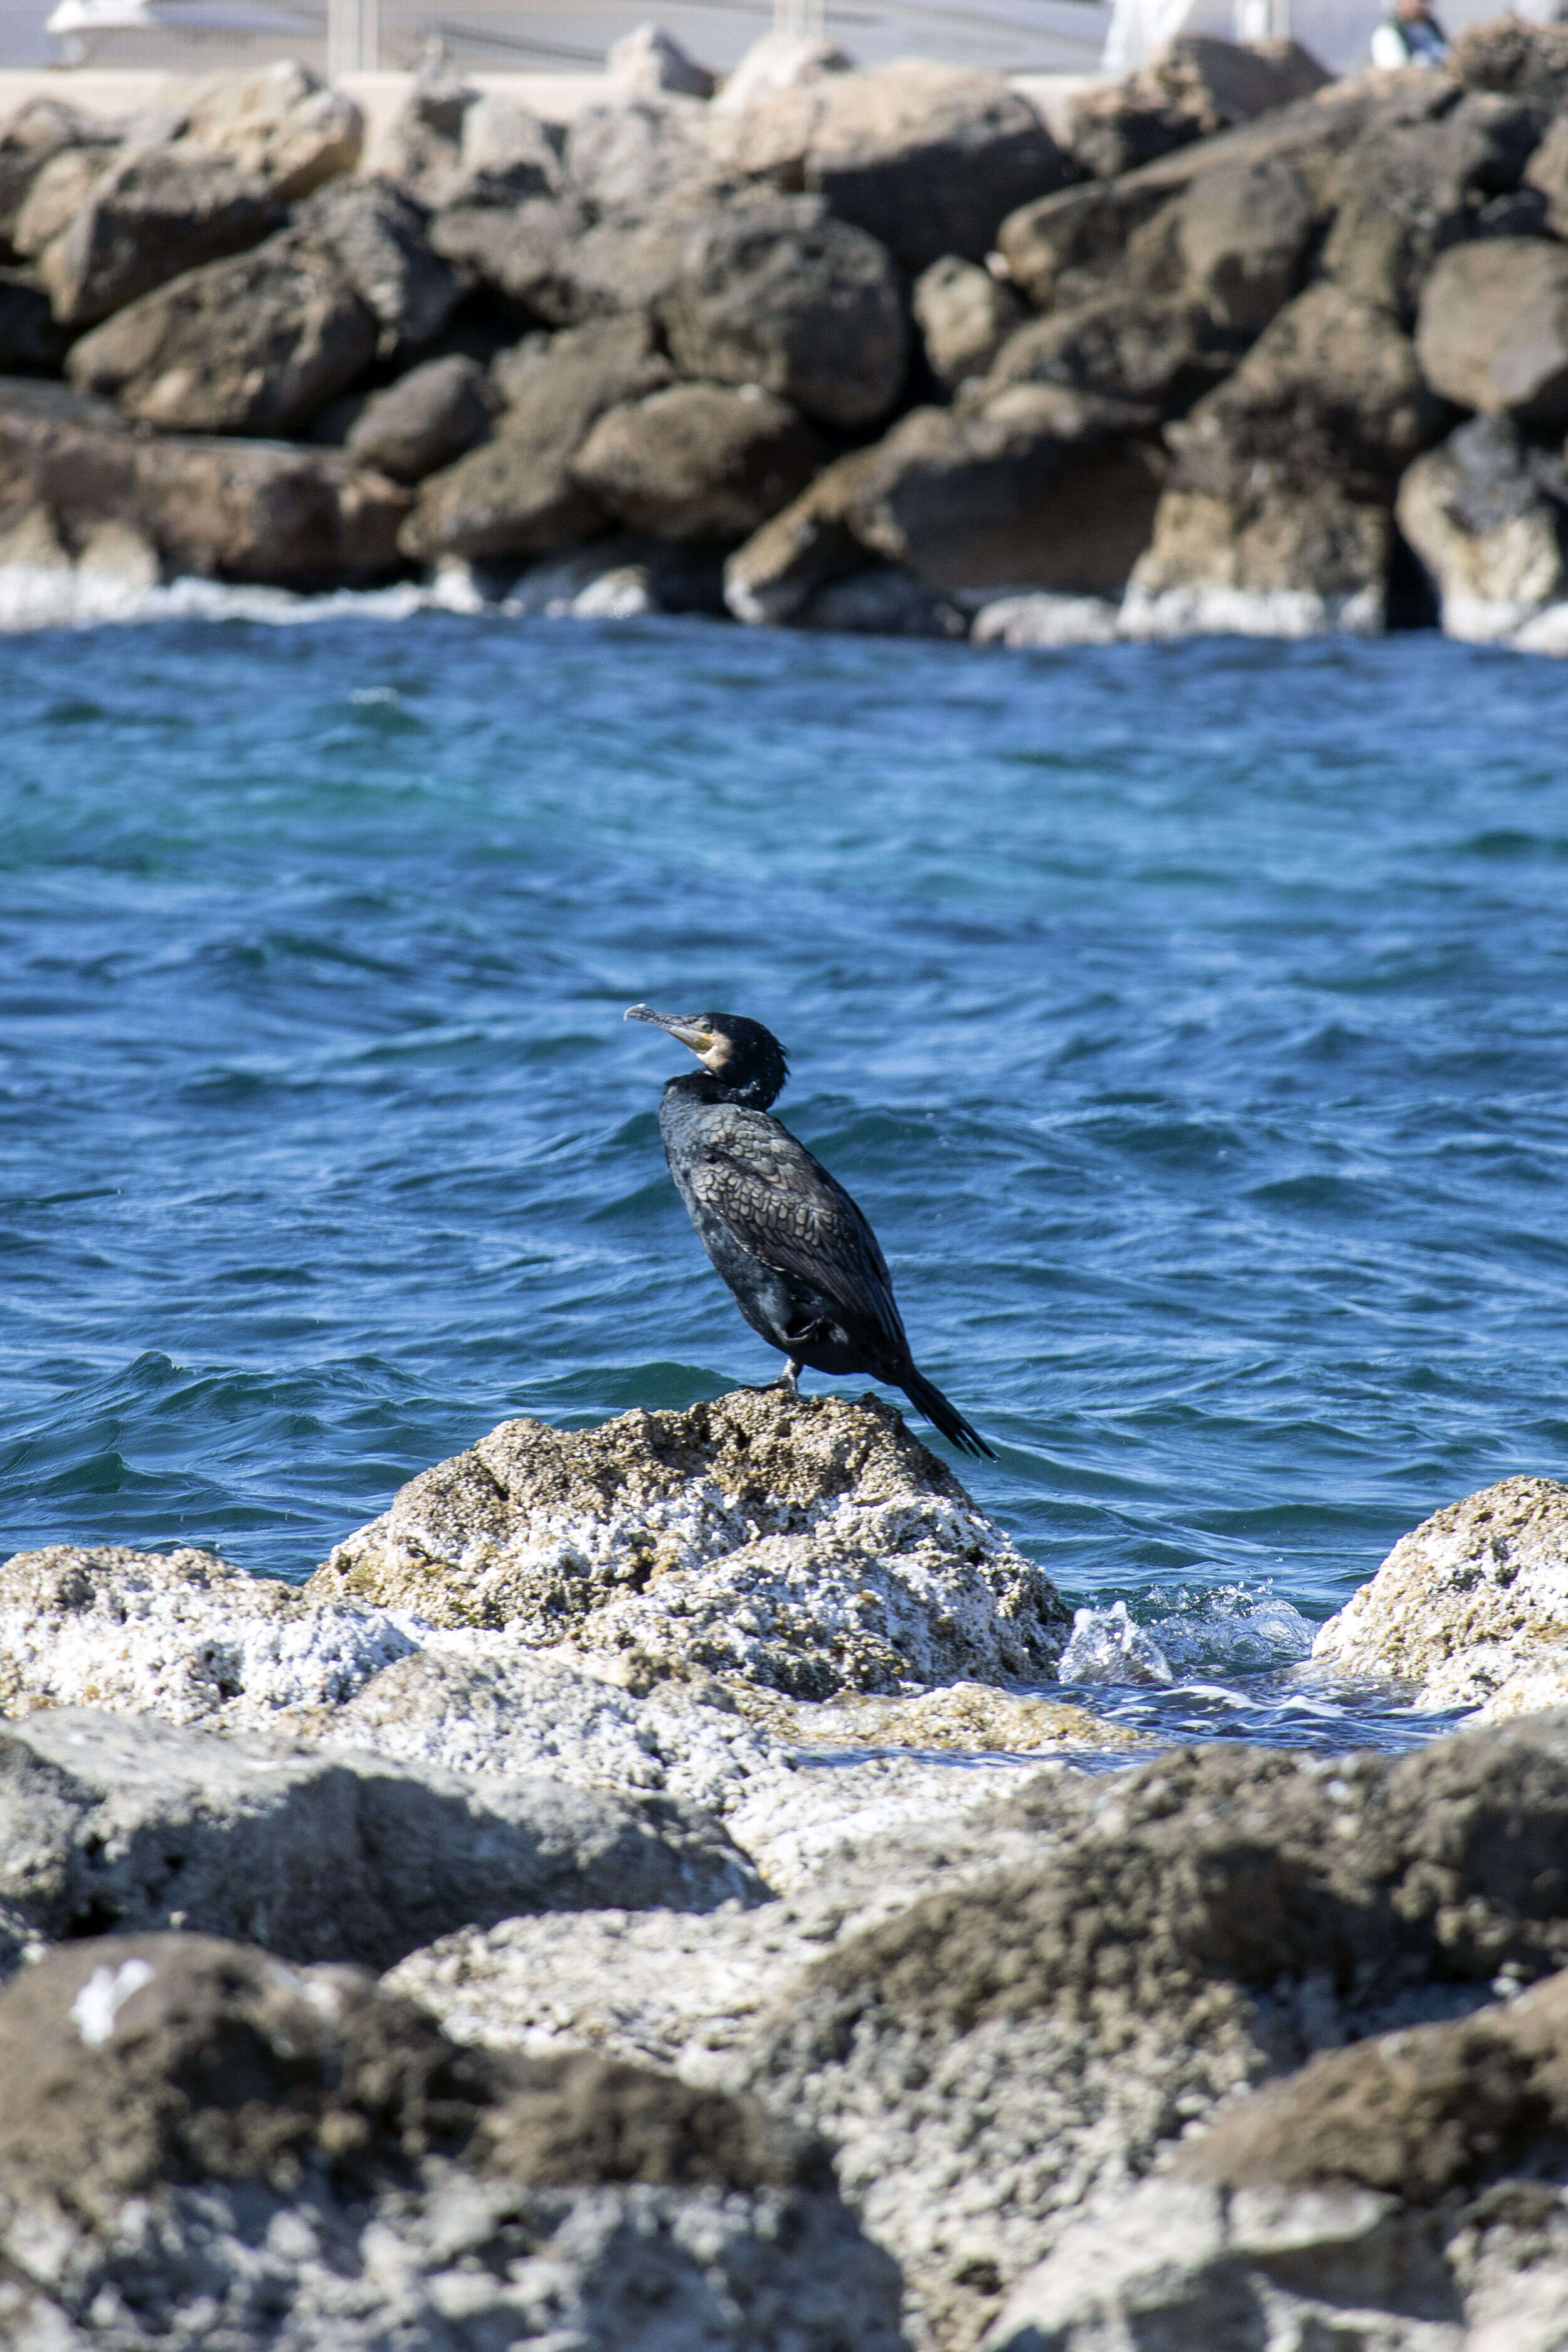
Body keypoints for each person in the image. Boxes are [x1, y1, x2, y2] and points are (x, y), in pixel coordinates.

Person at [1372, 0, 1449, 68]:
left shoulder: (1432, 28)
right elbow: (1396, 72)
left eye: (1423, 1)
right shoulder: (1387, 33)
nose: (1419, 5)